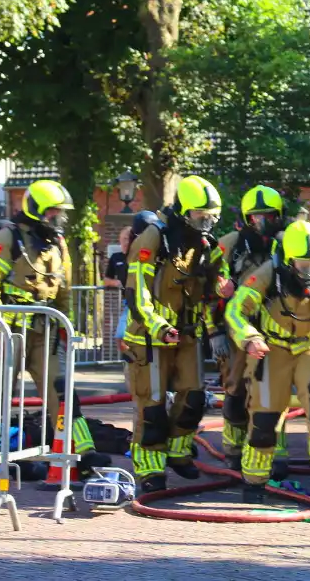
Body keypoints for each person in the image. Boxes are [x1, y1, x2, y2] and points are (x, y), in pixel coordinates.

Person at [0, 179, 110, 478]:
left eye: (61, 213)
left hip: (46, 333)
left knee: (62, 391)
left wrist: (65, 325)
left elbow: (63, 290)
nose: (60, 219)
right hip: (10, 331)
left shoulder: (58, 244)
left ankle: (81, 451)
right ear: (37, 211)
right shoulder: (6, 238)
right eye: (54, 213)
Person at [225, 220, 310, 503]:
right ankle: (254, 481)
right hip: (272, 348)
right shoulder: (266, 274)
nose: (308, 271)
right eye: (302, 264)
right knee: (265, 417)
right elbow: (236, 309)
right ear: (288, 260)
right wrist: (250, 338)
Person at [122, 175, 224, 493]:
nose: (205, 223)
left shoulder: (203, 245)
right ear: (183, 211)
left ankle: (178, 453)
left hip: (187, 334)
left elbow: (211, 287)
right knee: (152, 408)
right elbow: (136, 292)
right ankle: (150, 471)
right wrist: (158, 327)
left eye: (211, 217)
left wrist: (216, 318)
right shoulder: (155, 238)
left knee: (194, 398)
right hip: (150, 337)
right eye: (199, 216)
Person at [209, 185, 289, 475]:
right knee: (236, 390)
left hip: (277, 329)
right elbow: (207, 289)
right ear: (245, 218)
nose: (261, 223)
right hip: (236, 329)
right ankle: (233, 449)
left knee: (273, 391)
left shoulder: (286, 243)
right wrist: (213, 331)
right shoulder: (229, 244)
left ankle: (273, 453)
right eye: (255, 217)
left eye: (268, 216)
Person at [104, 226, 132, 344]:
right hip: (128, 302)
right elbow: (105, 279)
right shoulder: (116, 257)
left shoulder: (138, 256)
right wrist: (116, 283)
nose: (125, 242)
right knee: (120, 337)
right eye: (122, 239)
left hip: (143, 300)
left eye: (128, 239)